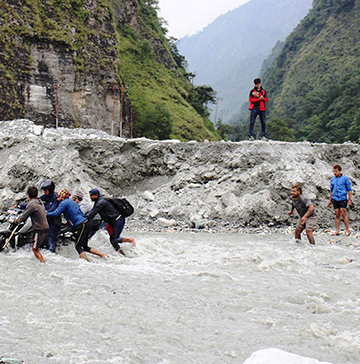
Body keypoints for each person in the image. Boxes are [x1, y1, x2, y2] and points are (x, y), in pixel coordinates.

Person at [47, 189, 108, 261]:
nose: (57, 199)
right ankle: (104, 255)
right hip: (86, 224)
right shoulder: (72, 202)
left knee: (78, 246)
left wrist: (45, 213)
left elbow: (56, 213)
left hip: (80, 225)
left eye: (59, 197)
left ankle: (86, 263)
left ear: (62, 197)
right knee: (84, 247)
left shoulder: (63, 203)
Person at [85, 188, 136, 256]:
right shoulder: (100, 201)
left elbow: (92, 213)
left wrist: (83, 219)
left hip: (118, 220)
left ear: (96, 195)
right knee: (112, 240)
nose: (90, 197)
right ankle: (120, 253)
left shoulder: (101, 202)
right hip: (113, 221)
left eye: (91, 195)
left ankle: (131, 240)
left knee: (115, 239)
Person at [15, 186, 49, 263]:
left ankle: (42, 264)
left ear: (28, 195)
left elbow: (24, 216)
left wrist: (17, 221)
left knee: (34, 249)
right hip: (45, 227)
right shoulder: (39, 201)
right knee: (36, 247)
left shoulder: (32, 204)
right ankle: (40, 262)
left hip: (39, 229)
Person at [327, 164, 353, 236]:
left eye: (336, 171)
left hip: (343, 198)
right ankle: (337, 230)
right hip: (335, 198)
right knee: (337, 214)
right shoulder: (333, 179)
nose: (334, 173)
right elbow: (331, 191)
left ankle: (347, 230)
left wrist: (350, 199)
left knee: (343, 213)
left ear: (340, 171)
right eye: (333, 171)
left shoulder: (345, 179)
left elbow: (349, 190)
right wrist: (330, 200)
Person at [39, 179, 60, 253]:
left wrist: (44, 213)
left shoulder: (56, 198)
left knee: (49, 238)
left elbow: (52, 209)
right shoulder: (45, 197)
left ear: (50, 189)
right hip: (44, 221)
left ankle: (52, 253)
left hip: (53, 222)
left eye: (46, 190)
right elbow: (35, 202)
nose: (44, 192)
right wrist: (20, 206)